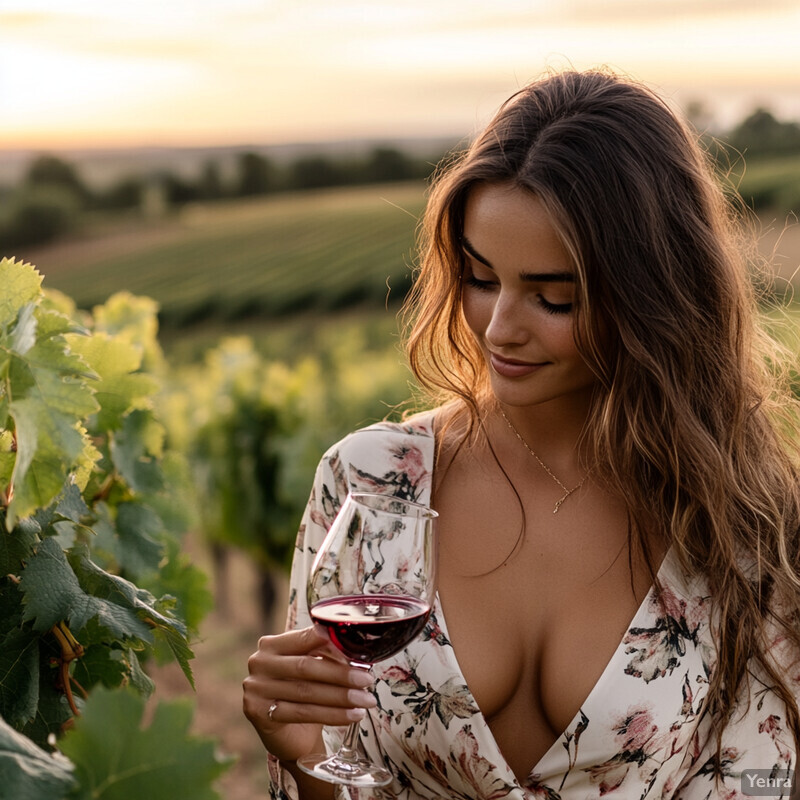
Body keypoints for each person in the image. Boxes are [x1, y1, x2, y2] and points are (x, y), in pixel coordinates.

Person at [243, 68, 800, 799]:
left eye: (553, 297)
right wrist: (302, 753)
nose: (500, 328)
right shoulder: (366, 485)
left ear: (651, 295)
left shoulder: (746, 522)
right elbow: (332, 777)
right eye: (479, 278)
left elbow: (759, 781)